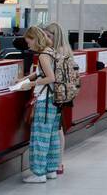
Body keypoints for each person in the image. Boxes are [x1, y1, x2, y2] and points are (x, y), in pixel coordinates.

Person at [21, 25, 61, 184]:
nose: (28, 45)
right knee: (51, 137)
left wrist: (30, 85)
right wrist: (25, 79)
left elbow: (50, 77)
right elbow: (40, 72)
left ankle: (39, 173)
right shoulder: (50, 51)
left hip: (45, 100)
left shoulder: (43, 55)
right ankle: (50, 170)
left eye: (29, 41)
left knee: (39, 137)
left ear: (35, 39)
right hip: (54, 100)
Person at [44, 22, 75, 175]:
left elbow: (52, 75)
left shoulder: (56, 52)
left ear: (55, 37)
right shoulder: (67, 50)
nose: (46, 39)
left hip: (57, 93)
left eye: (48, 36)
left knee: (57, 129)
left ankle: (58, 163)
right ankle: (58, 162)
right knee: (58, 128)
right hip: (64, 93)